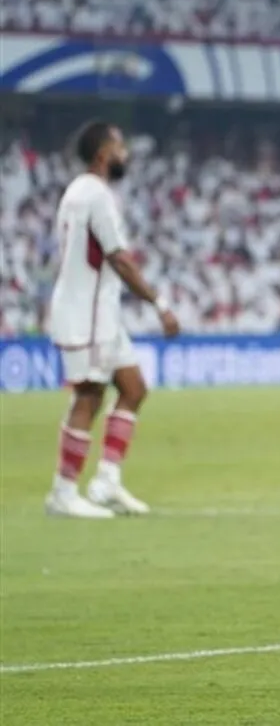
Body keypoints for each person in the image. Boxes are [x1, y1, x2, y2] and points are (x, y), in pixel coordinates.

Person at [44, 121, 180, 519]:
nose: (126, 154)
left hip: (101, 310)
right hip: (86, 313)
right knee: (89, 395)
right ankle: (64, 491)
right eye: (120, 147)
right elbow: (118, 258)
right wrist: (159, 303)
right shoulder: (97, 196)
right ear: (103, 154)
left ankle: (106, 481)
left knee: (133, 388)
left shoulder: (76, 191)